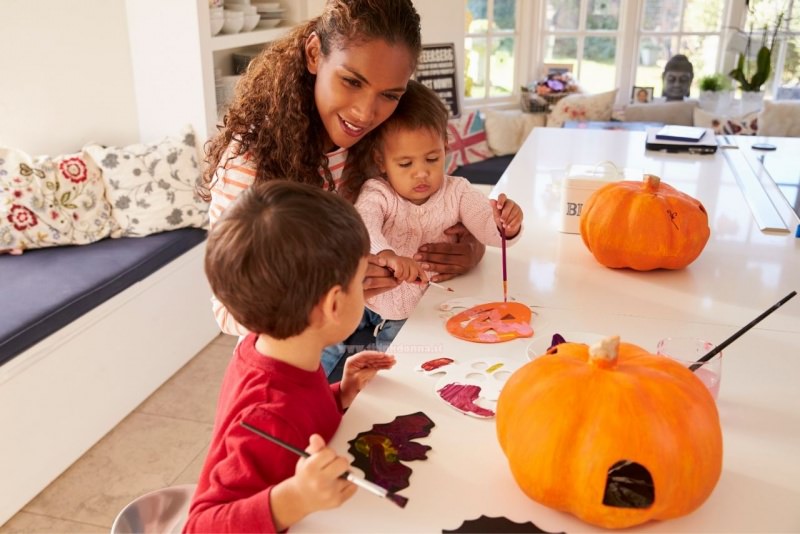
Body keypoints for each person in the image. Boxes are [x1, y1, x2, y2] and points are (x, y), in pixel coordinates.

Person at [202, 0, 485, 377]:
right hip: (295, 366)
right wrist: (334, 290)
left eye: (389, 95)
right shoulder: (249, 165)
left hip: (377, 336)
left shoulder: (378, 139)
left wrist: (470, 247)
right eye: (352, 82)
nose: (366, 113)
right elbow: (229, 313)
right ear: (315, 54)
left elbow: (418, 213)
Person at [185, 181, 396, 533]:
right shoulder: (266, 413)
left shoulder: (276, 347)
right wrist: (295, 498)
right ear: (332, 304)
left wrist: (339, 395)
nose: (365, 289)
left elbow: (299, 422)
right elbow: (198, 526)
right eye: (361, 281)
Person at [352, 81, 524, 348]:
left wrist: (506, 224)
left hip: (411, 313)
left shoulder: (458, 191)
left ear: (445, 147)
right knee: (321, 349)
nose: (421, 172)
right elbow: (363, 225)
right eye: (406, 163)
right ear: (380, 161)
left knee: (399, 363)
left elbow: (487, 229)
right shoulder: (377, 192)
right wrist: (385, 254)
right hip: (363, 301)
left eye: (432, 159)